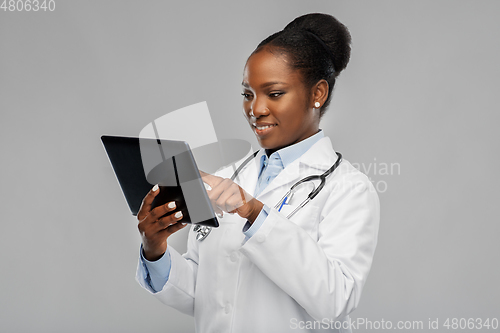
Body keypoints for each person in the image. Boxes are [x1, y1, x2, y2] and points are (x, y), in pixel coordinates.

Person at [136, 13, 380, 333]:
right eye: (248, 94)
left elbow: (335, 302)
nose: (256, 109)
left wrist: (254, 212)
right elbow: (205, 294)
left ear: (317, 94)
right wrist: (156, 251)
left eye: (274, 93)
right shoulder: (228, 177)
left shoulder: (348, 189)